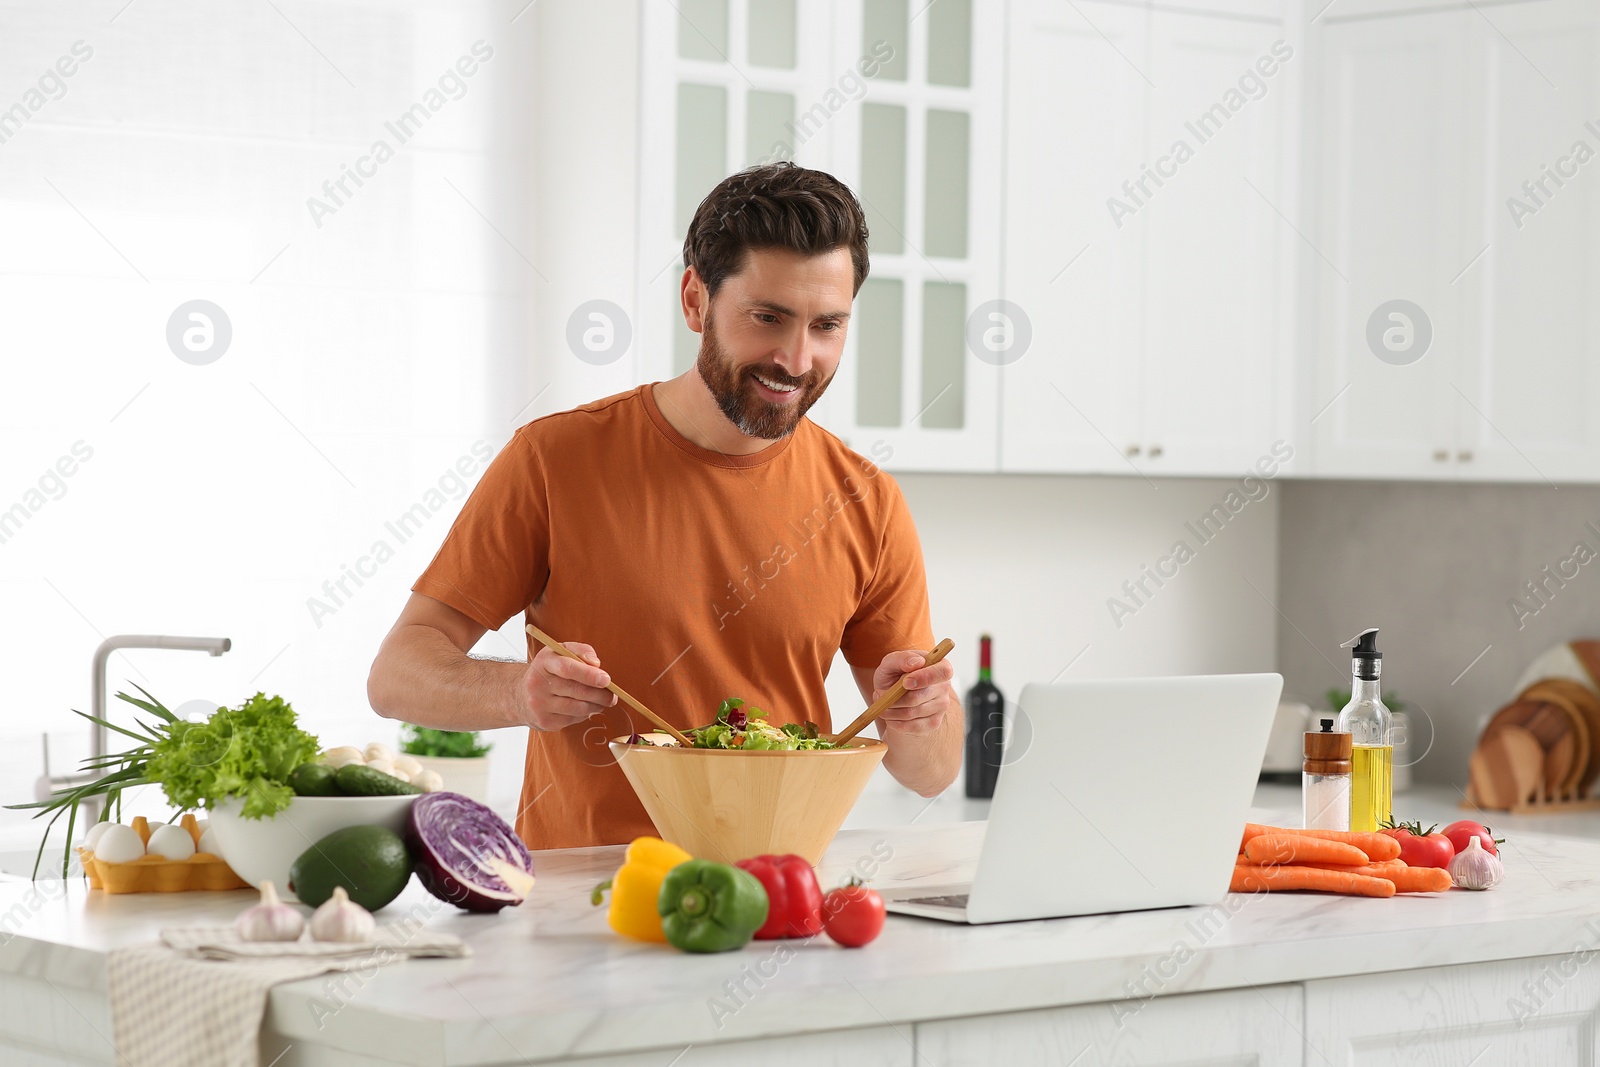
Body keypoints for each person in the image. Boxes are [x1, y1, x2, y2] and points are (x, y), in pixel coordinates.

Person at [367, 162, 961, 850]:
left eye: (827, 325)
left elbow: (932, 774)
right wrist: (517, 694)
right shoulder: (555, 459)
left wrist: (918, 716)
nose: (797, 359)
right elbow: (397, 675)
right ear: (694, 300)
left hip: (780, 897)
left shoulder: (866, 501)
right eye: (768, 317)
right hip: (590, 908)